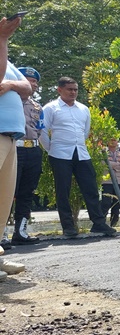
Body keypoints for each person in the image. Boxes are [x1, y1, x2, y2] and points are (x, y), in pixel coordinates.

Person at [40, 77, 117, 238]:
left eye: (75, 89)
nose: (73, 92)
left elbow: (85, 131)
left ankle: (98, 223)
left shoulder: (83, 109)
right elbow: (42, 132)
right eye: (69, 89)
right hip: (60, 154)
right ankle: (68, 227)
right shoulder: (50, 108)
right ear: (59, 90)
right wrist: (51, 150)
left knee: (91, 189)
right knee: (63, 191)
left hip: (81, 153)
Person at [0, 15, 28, 280]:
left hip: (10, 137)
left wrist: (9, 84)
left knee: (3, 202)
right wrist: (3, 39)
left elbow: (27, 87)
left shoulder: (7, 60)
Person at [12, 67, 44, 244]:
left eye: (35, 82)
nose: (33, 84)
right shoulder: (9, 100)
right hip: (14, 149)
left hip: (32, 150)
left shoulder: (37, 106)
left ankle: (21, 232)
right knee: (8, 192)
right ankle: (2, 235)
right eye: (29, 80)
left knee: (27, 193)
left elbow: (39, 129)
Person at [100, 138, 120, 227]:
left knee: (117, 203)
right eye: (111, 139)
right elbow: (104, 163)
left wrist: (113, 165)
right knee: (106, 203)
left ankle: (114, 224)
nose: (113, 141)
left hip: (119, 181)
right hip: (107, 181)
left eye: (115, 139)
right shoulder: (103, 152)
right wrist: (117, 165)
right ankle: (102, 224)